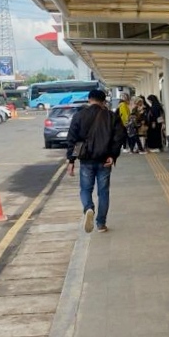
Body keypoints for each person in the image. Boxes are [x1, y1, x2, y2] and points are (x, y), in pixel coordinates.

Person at [66, 89, 126, 233]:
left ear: (89, 99)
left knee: (86, 189)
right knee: (103, 192)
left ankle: (88, 208)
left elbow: (72, 139)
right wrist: (113, 155)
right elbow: (119, 137)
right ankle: (101, 224)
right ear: (104, 101)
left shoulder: (79, 116)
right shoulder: (112, 116)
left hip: (86, 160)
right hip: (105, 159)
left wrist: (71, 160)